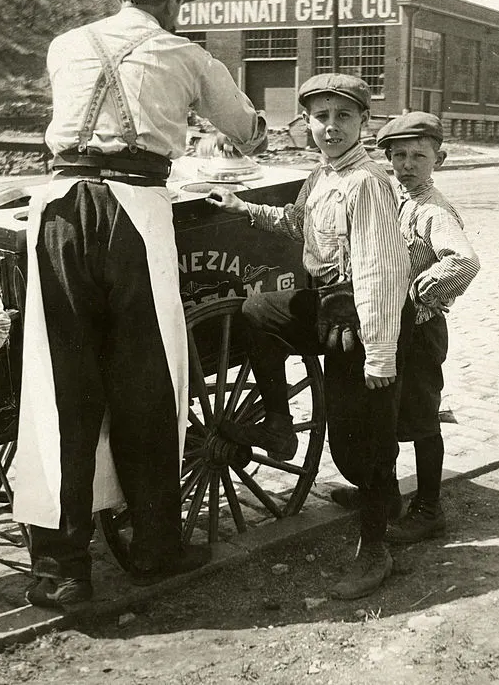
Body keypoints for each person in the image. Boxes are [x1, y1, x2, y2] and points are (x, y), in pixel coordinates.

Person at [12, 0, 267, 610]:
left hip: (60, 212)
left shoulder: (64, 45)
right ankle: (156, 546)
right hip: (133, 216)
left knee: (61, 386)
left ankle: (63, 568)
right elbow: (247, 131)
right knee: (146, 385)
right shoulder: (188, 55)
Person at [205, 74, 411, 600]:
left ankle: (376, 548)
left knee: (359, 440)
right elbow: (298, 225)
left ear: (365, 124)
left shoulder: (369, 182)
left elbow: (380, 272)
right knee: (257, 311)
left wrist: (380, 355)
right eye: (321, 117)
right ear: (308, 124)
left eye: (343, 117)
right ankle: (279, 423)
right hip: (327, 305)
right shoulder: (322, 176)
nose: (330, 128)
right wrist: (243, 208)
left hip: (367, 314)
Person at [329, 112, 480, 543]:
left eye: (419, 155)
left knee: (420, 419)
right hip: (389, 329)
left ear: (440, 159)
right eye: (398, 155)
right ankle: (385, 496)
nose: (408, 165)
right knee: (386, 417)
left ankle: (429, 508)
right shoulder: (391, 198)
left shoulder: (434, 210)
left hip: (418, 332)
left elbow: (464, 262)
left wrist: (420, 296)